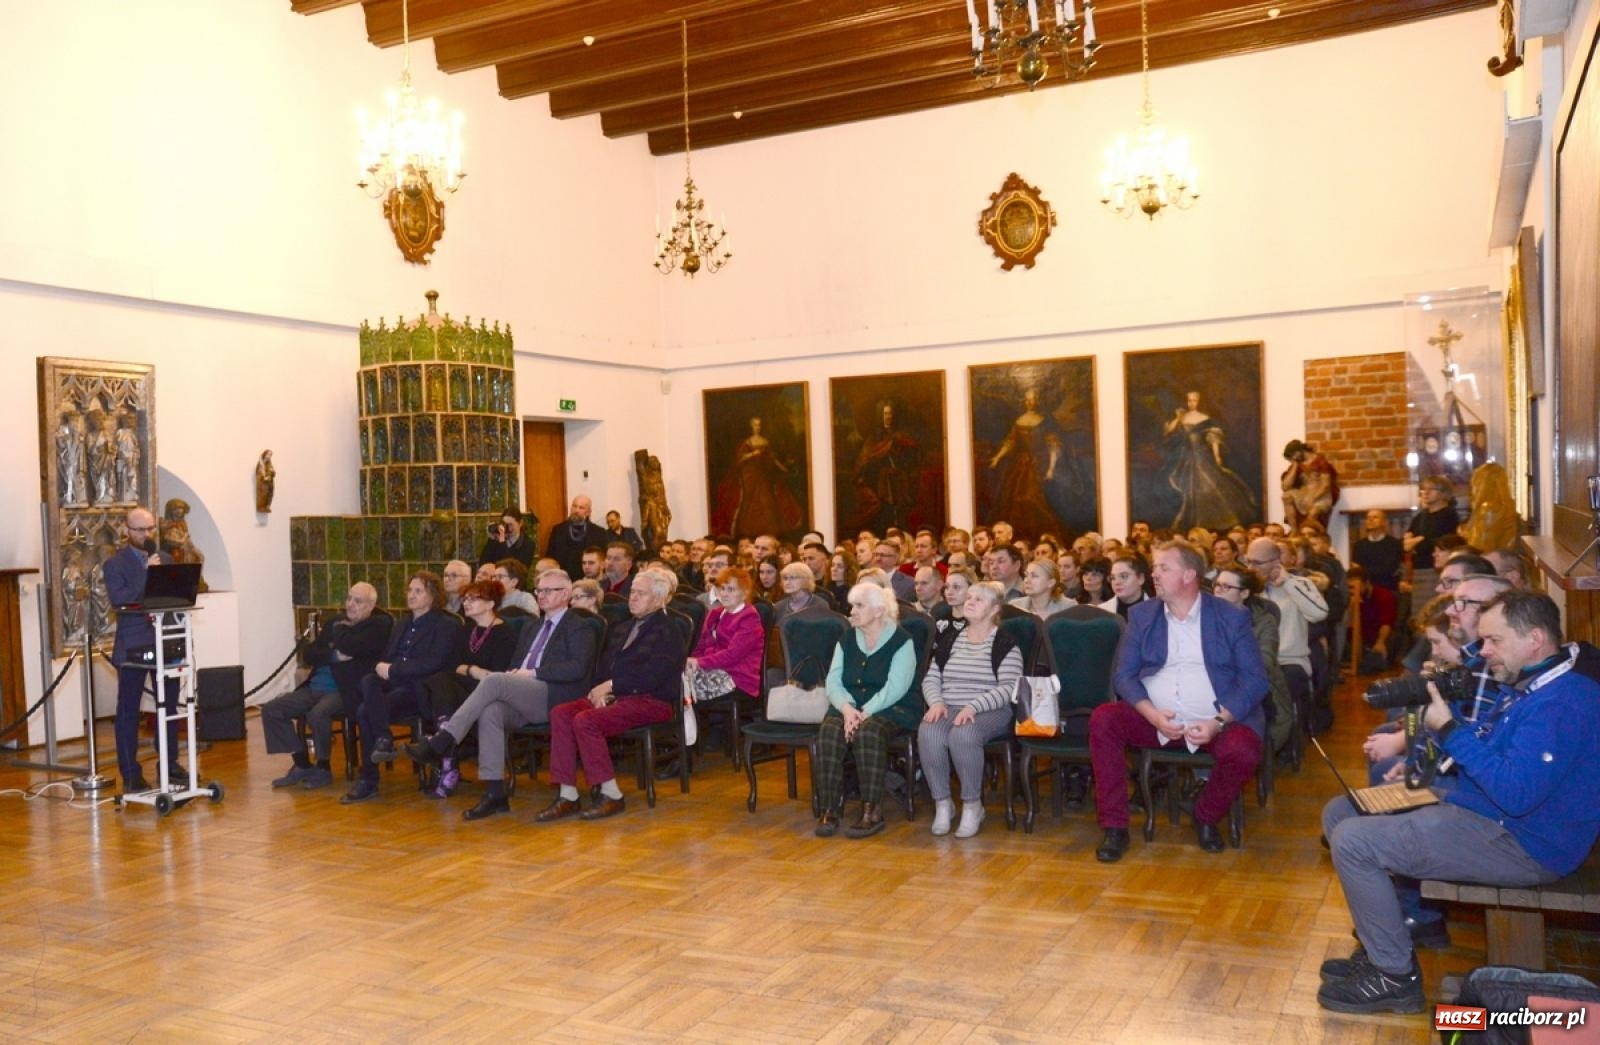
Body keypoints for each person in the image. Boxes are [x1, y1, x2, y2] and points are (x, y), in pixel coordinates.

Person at [1318, 591, 1600, 1015]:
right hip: (1484, 811)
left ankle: (1393, 976)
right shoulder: (1533, 683)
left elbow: (1517, 795)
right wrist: (1432, 780)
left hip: (1525, 843)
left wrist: (1449, 730)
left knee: (1355, 841)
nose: (1483, 651)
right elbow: (1492, 756)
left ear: (1535, 639)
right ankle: (1383, 945)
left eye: (1494, 641)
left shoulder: (1563, 703)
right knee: (1342, 811)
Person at [1090, 542, 1268, 861]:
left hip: (1213, 720)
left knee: (1243, 750)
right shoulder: (1143, 615)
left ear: (1188, 575)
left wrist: (1218, 722)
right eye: (1155, 568)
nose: (1154, 574)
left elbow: (1255, 681)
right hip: (1156, 720)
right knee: (1104, 719)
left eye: (1163, 568)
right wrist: (1152, 715)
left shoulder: (1231, 616)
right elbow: (1124, 676)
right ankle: (1114, 827)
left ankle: (1205, 815)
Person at [403, 571, 599, 821]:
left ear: (566, 594)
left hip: (555, 694)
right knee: (490, 711)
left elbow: (577, 669)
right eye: (539, 590)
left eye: (549, 590)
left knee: (494, 680)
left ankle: (443, 740)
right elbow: (514, 664)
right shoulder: (531, 626)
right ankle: (495, 793)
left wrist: (532, 673)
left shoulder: (579, 626)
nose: (542, 595)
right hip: (524, 691)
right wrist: (517, 675)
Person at [535, 569, 683, 823]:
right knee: (561, 713)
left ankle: (611, 793)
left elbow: (654, 676)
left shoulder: (668, 630)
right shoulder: (622, 627)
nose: (633, 597)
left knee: (586, 720)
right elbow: (602, 668)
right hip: (616, 697)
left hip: (652, 700)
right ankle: (568, 794)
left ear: (659, 599)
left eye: (641, 593)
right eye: (632, 592)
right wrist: (600, 691)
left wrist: (613, 686)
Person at [341, 571, 458, 804]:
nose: (411, 595)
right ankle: (383, 738)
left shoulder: (445, 624)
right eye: (409, 590)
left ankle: (369, 779)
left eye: (418, 591)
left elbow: (434, 662)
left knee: (365, 711)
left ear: (433, 595)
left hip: (420, 689)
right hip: (394, 684)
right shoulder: (402, 623)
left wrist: (394, 669)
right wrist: (383, 667)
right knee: (368, 680)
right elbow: (388, 656)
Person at [920, 581, 1024, 838]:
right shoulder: (951, 640)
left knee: (963, 735)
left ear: (994, 609)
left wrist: (974, 706)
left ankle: (972, 805)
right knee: (928, 731)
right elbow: (931, 678)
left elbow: (1009, 688)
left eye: (979, 599)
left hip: (990, 710)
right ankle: (943, 803)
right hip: (949, 706)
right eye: (969, 598)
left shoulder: (1005, 643)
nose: (970, 602)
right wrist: (936, 702)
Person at [814, 582, 918, 838]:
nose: (852, 611)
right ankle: (829, 808)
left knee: (868, 732)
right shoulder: (847, 638)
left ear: (879, 610)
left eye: (859, 606)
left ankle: (872, 811)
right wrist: (847, 709)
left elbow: (896, 687)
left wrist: (865, 711)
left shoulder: (901, 640)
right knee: (829, 731)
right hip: (849, 704)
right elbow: (833, 680)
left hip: (892, 706)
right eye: (852, 606)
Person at [260, 582, 388, 790]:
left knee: (318, 714)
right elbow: (309, 653)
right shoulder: (335, 622)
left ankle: (323, 768)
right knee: (272, 710)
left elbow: (352, 647)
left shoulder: (376, 627)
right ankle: (301, 763)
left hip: (344, 690)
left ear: (371, 606)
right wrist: (334, 655)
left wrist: (337, 640)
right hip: (314, 686)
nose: (350, 604)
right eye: (349, 598)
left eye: (358, 601)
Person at [405, 579, 520, 798]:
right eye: (465, 598)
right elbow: (452, 665)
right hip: (462, 689)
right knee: (440, 680)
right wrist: (472, 670)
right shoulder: (466, 629)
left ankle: (446, 758)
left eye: (473, 598)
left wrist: (467, 670)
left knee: (441, 681)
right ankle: (446, 746)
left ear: (490, 603)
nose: (466, 603)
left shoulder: (505, 633)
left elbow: (496, 675)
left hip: (490, 692)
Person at [104, 506, 184, 793]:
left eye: (150, 529)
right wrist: (147, 574)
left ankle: (170, 764)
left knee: (169, 707)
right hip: (133, 645)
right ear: (127, 530)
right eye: (140, 529)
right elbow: (121, 600)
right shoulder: (115, 564)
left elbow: (175, 596)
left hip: (164, 641)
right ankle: (131, 773)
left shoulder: (165, 559)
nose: (147, 534)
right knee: (129, 710)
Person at [1210, 567, 1293, 754]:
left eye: (1226, 587)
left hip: (1254, 688)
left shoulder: (1264, 621)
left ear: (1244, 593)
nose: (1218, 591)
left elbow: (1265, 662)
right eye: (1217, 585)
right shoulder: (1204, 617)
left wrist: (1224, 667)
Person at [1161, 390, 1258, 531]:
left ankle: (1221, 521)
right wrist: (1178, 418)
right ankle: (1193, 523)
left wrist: (1217, 455)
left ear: (1200, 402)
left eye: (1194, 400)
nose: (1191, 403)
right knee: (1187, 489)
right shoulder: (1182, 417)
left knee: (1208, 485)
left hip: (1202, 455)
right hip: (1185, 456)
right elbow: (1169, 432)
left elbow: (1214, 439)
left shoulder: (1205, 418)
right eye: (1189, 400)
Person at [987, 388, 1062, 542]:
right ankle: (1021, 536)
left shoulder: (1045, 421)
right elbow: (1011, 442)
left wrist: (1051, 469)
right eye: (1027, 399)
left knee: (1034, 499)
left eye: (1032, 399)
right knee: (1015, 500)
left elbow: (1053, 446)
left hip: (1040, 463)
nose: (1029, 402)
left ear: (1038, 401)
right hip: (1023, 464)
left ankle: (1042, 536)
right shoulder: (1019, 420)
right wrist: (997, 457)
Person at [712, 416, 804, 539]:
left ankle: (768, 532)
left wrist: (783, 468)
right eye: (755, 424)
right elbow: (739, 460)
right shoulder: (747, 442)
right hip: (749, 476)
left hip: (762, 475)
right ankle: (746, 533)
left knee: (766, 500)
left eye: (759, 424)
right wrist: (752, 454)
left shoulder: (765, 441)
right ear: (751, 426)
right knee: (749, 502)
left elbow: (772, 458)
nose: (758, 427)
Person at [684, 566, 764, 705]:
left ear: (744, 593)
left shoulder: (750, 618)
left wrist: (699, 662)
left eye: (731, 589)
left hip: (738, 678)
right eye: (722, 588)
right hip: (712, 670)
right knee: (677, 680)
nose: (725, 594)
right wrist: (694, 663)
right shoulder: (715, 614)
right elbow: (700, 646)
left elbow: (733, 655)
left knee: (681, 689)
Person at [851, 401, 922, 535]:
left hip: (899, 483)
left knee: (900, 514)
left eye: (890, 413)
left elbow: (911, 458)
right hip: (879, 484)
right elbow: (866, 461)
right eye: (885, 413)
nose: (888, 416)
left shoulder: (901, 436)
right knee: (884, 514)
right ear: (880, 415)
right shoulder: (874, 438)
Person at [1403, 476, 1460, 599]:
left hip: (1437, 569)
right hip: (1419, 568)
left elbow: (1440, 543)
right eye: (1423, 489)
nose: (1426, 493)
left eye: (1431, 489)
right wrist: (1415, 542)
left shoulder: (1449, 515)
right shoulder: (1420, 517)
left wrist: (1416, 543)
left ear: (1443, 493)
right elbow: (1406, 543)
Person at [1280, 439, 1339, 530]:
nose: (1292, 459)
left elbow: (1325, 485)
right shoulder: (1297, 464)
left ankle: (1311, 534)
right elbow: (1285, 487)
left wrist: (1313, 498)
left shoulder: (1320, 461)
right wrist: (1295, 466)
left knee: (1313, 512)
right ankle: (1295, 531)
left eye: (1293, 456)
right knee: (1286, 497)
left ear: (1299, 451)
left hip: (1321, 495)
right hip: (1304, 494)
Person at [1347, 564, 1396, 672]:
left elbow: (1386, 623)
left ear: (1367, 583)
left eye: (1357, 586)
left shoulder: (1383, 595)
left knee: (1375, 659)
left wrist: (1380, 642)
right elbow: (1348, 626)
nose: (1354, 590)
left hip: (1379, 637)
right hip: (1358, 640)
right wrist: (1351, 606)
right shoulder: (1349, 598)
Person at [544, 495, 607, 580]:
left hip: (589, 581)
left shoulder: (598, 532)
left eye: (581, 508)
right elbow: (550, 557)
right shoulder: (558, 530)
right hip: (562, 579)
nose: (576, 510)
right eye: (574, 506)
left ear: (588, 512)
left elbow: (603, 559)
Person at [1351, 508, 1404, 594]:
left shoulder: (1394, 544)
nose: (1371, 520)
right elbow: (1357, 571)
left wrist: (1365, 570)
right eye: (1368, 518)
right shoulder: (1359, 545)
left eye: (1375, 517)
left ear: (1384, 522)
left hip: (1387, 589)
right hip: (1365, 591)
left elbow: (1389, 569)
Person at [477, 507, 536, 572]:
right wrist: (492, 539)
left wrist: (502, 542)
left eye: (511, 525)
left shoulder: (528, 544)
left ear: (520, 523)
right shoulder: (496, 540)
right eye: (504, 524)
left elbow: (514, 570)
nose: (507, 528)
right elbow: (482, 563)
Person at [1099, 553, 1153, 621]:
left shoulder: (1158, 610)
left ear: (1140, 578)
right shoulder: (1102, 611)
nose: (1117, 582)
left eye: (1124, 576)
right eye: (1113, 578)